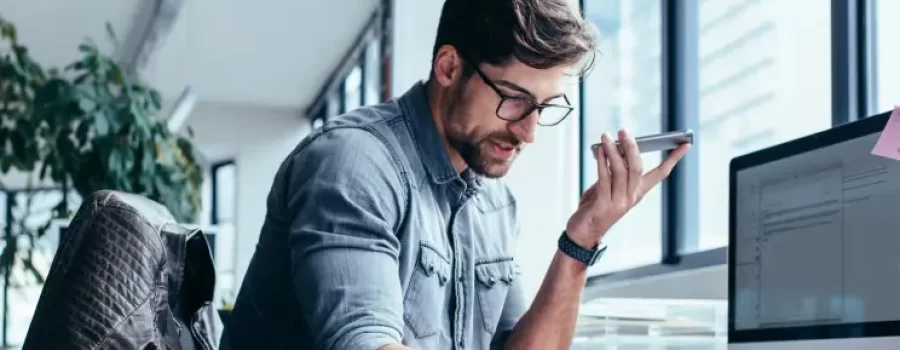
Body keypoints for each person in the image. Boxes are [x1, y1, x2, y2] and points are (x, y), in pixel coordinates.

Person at [220, 0, 690, 348]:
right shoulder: (354, 163)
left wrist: (583, 236)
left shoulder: (493, 205)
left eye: (544, 108)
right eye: (514, 99)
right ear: (449, 67)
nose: (529, 132)